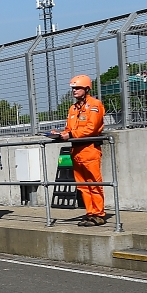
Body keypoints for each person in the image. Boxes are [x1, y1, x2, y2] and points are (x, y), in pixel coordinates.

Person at [57, 75, 106, 227]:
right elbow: (69, 128)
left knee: (94, 183)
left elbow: (91, 128)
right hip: (76, 150)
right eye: (73, 88)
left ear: (86, 89)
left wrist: (71, 135)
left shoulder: (95, 105)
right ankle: (90, 213)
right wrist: (60, 134)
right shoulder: (73, 108)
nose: (74, 91)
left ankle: (98, 214)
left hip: (89, 149)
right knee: (82, 186)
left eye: (77, 88)